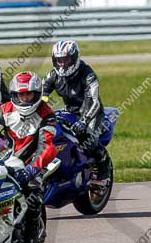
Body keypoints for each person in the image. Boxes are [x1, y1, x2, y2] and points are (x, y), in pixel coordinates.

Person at [0, 71, 56, 241]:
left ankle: (31, 237)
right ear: (14, 95)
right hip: (4, 159)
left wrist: (32, 169)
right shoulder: (3, 111)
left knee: (34, 193)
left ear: (37, 94)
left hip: (33, 163)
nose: (24, 99)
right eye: (21, 95)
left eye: (28, 94)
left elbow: (48, 146)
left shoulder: (47, 114)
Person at [42, 39, 110, 180]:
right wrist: (39, 113)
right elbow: (43, 96)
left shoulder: (88, 75)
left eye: (66, 60)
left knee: (88, 141)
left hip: (92, 112)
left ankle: (103, 161)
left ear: (74, 58)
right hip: (70, 111)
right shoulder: (52, 76)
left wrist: (84, 121)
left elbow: (94, 101)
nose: (62, 64)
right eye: (59, 60)